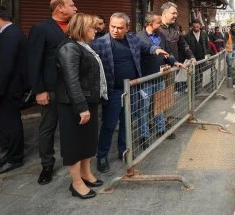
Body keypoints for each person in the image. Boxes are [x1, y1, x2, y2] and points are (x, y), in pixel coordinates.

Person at [92, 12, 182, 173]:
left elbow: (146, 47)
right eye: (112, 27)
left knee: (127, 122)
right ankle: (102, 156)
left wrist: (156, 50)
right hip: (113, 92)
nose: (115, 30)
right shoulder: (99, 44)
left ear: (127, 28)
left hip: (132, 90)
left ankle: (123, 151)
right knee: (109, 125)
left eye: (120, 28)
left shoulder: (133, 39)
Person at [55, 13, 106, 199]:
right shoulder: (70, 47)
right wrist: (81, 107)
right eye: (93, 27)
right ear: (82, 29)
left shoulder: (83, 46)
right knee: (74, 144)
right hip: (74, 105)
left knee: (87, 141)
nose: (96, 30)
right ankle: (76, 183)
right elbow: (71, 80)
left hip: (87, 101)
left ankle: (86, 174)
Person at [28, 0, 77, 185]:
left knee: (72, 126)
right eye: (71, 5)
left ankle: (72, 159)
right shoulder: (41, 29)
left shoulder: (74, 27)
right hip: (52, 89)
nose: (75, 8)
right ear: (59, 8)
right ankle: (47, 164)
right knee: (47, 128)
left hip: (72, 88)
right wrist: (39, 90)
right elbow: (34, 62)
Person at [0, 6, 27, 177]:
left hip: (9, 89)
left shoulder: (11, 34)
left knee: (10, 123)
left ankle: (15, 158)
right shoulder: (10, 33)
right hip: (9, 88)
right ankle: (10, 155)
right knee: (7, 124)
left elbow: (6, 66)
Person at [136, 12, 178, 147]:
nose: (161, 24)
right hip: (145, 79)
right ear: (150, 24)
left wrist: (174, 62)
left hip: (159, 78)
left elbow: (168, 52)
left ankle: (161, 129)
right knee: (144, 108)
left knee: (159, 105)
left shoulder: (161, 36)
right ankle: (144, 136)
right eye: (158, 22)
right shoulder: (138, 38)